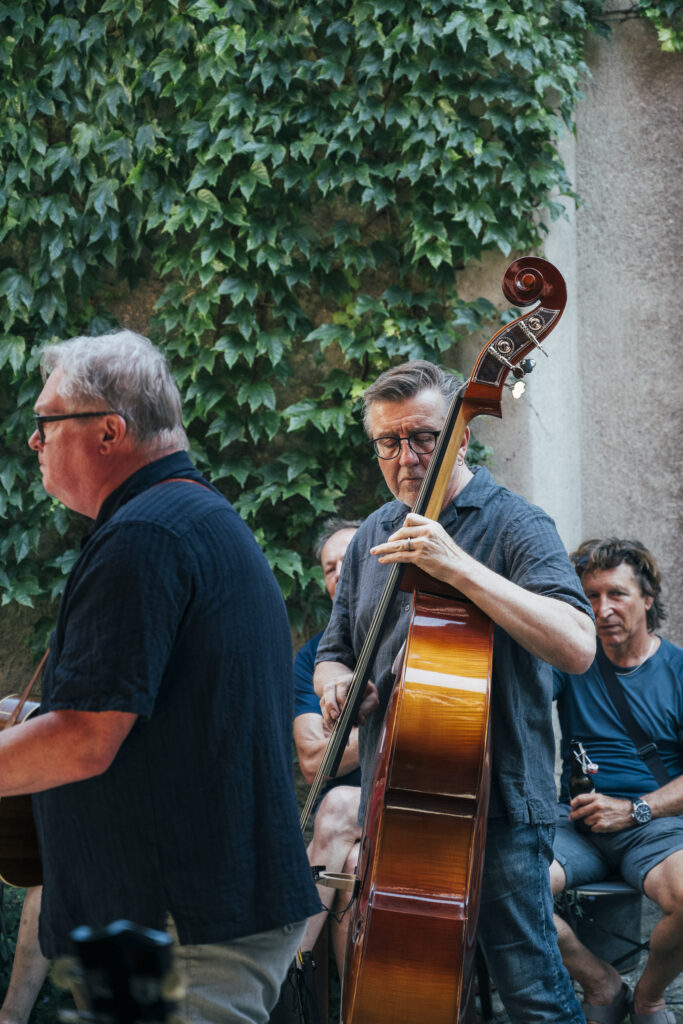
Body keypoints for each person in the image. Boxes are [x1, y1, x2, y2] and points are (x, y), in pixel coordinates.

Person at [0, 329, 319, 1024]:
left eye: (45, 422)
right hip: (179, 916)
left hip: (180, 926)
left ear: (108, 431)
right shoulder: (184, 518)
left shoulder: (145, 536)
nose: (33, 440)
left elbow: (85, 738)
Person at [314, 360, 596, 1024]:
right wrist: (338, 690)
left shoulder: (515, 524)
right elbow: (333, 653)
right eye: (389, 442)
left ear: (460, 437)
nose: (406, 457)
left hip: (499, 808)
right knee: (421, 994)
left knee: (531, 992)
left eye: (424, 437)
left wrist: (457, 565)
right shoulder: (372, 535)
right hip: (397, 805)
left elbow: (577, 644)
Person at [550, 538, 683, 1024]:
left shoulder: (678, 670)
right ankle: (600, 983)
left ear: (647, 598)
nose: (602, 609)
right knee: (505, 890)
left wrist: (634, 810)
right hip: (576, 825)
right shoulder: (572, 661)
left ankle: (648, 997)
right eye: (590, 596)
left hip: (655, 828)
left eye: (617, 594)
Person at [293, 518, 362, 978]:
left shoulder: (418, 640)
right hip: (340, 846)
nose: (339, 575)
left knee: (337, 806)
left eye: (349, 561)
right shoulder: (314, 657)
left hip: (407, 807)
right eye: (329, 568)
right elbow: (315, 762)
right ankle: (348, 1008)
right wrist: (388, 722)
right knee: (350, 871)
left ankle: (286, 968)